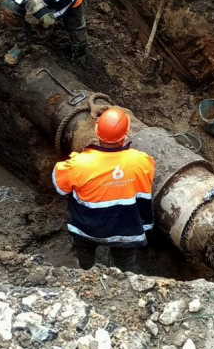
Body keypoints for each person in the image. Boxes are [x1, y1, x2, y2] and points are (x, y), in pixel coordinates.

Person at [51, 108, 155, 271]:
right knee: (125, 265)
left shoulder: (79, 164)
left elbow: (60, 186)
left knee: (84, 254)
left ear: (97, 132)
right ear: (126, 134)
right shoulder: (142, 161)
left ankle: (85, 273)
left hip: (87, 229)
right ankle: (125, 280)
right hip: (126, 230)